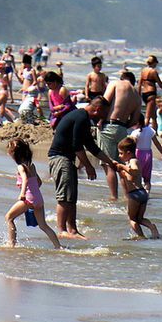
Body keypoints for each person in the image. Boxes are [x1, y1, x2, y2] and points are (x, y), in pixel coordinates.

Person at [47, 95, 114, 239]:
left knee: (71, 197)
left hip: (67, 159)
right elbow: (77, 145)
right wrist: (88, 167)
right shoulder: (80, 117)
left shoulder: (83, 118)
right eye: (105, 113)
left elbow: (91, 145)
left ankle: (73, 230)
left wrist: (110, 162)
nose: (105, 117)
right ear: (97, 109)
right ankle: (62, 230)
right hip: (60, 158)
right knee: (64, 197)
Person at [2, 138, 61, 249]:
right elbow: (38, 182)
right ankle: (58, 246)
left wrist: (23, 193)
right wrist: (33, 192)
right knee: (43, 226)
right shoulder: (31, 166)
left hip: (28, 198)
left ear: (14, 154)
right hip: (38, 198)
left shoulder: (20, 167)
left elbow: (25, 179)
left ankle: (11, 243)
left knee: (9, 217)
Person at [101, 70, 141, 200]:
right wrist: (123, 125)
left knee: (109, 164)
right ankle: (127, 196)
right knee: (121, 166)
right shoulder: (137, 95)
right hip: (123, 129)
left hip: (110, 125)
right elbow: (135, 120)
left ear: (123, 78)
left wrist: (100, 121)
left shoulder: (116, 83)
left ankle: (113, 197)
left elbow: (104, 102)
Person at [114, 136, 161, 239]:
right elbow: (128, 177)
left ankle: (141, 237)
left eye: (121, 153)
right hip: (142, 193)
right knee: (139, 219)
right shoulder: (128, 163)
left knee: (132, 219)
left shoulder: (133, 161)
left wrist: (122, 167)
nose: (119, 155)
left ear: (129, 153)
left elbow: (134, 171)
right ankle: (152, 227)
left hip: (135, 194)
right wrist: (119, 168)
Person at [138, 54, 162, 125]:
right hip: (151, 93)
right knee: (148, 116)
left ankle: (154, 134)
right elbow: (160, 84)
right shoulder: (153, 72)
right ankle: (144, 131)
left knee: (153, 116)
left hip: (144, 94)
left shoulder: (143, 70)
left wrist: (138, 94)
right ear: (154, 63)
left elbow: (140, 84)